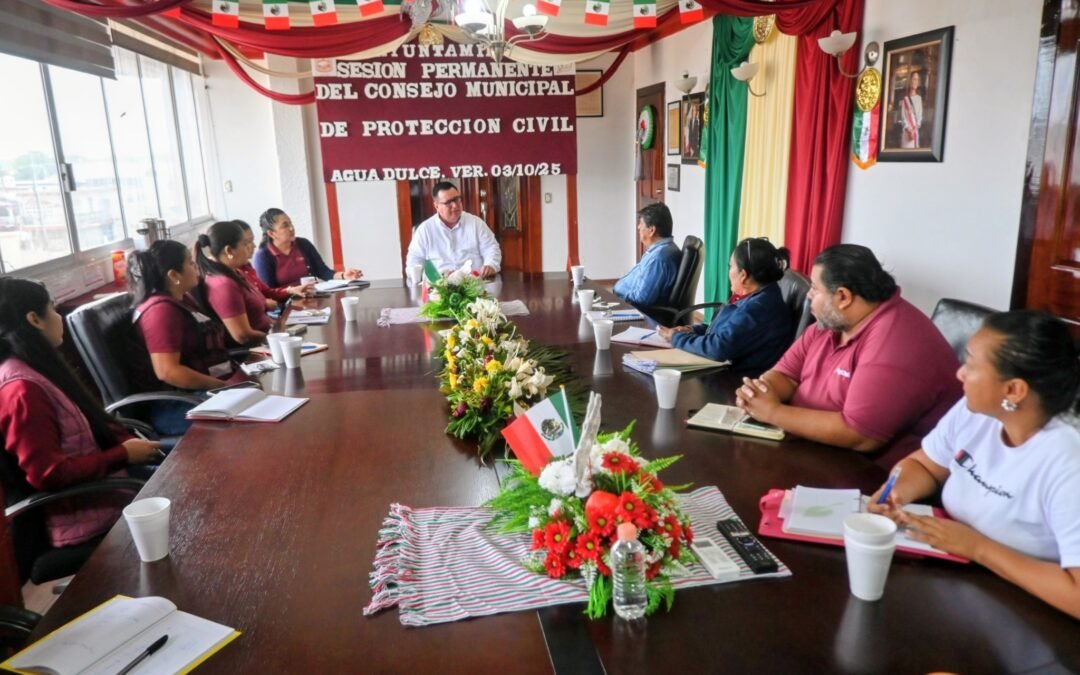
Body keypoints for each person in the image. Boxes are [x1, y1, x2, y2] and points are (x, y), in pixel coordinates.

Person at [869, 311, 1080, 619]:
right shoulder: (975, 412)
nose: (960, 373)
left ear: (1013, 390)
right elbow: (925, 465)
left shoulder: (1067, 462)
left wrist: (978, 548)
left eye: (970, 364)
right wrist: (897, 492)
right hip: (957, 588)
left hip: (1031, 619)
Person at [735, 244, 961, 466]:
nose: (809, 296)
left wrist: (773, 412)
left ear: (843, 297)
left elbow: (859, 434)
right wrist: (758, 394)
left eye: (815, 288)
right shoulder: (830, 324)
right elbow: (786, 375)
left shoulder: (896, 340)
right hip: (814, 448)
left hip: (870, 474)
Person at [0, 277, 161, 549]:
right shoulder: (22, 389)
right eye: (52, 308)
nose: (58, 316)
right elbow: (48, 473)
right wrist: (123, 454)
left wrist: (123, 443)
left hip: (111, 490)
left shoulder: (37, 368)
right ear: (34, 319)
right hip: (87, 514)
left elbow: (89, 425)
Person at [129, 240, 239, 435]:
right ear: (173, 275)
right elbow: (167, 371)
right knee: (250, 420)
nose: (195, 266)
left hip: (201, 390)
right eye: (189, 262)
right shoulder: (160, 311)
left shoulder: (182, 299)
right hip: (177, 403)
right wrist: (222, 386)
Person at [657, 237, 792, 373]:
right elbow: (728, 332)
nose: (729, 272)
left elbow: (718, 347)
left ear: (743, 275)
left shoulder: (759, 309)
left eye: (731, 266)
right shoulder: (760, 295)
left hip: (735, 382)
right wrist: (692, 330)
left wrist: (676, 338)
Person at [195, 220, 272, 346]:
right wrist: (274, 337)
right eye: (245, 243)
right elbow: (242, 335)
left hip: (266, 340)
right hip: (254, 351)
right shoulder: (223, 284)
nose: (251, 247)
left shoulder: (235, 272)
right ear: (229, 250)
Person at [404, 182, 501, 280]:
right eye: (448, 203)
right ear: (436, 206)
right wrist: (420, 277)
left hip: (473, 284)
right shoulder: (425, 230)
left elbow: (491, 248)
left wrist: (491, 264)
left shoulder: (476, 223)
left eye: (457, 199)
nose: (455, 205)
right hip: (439, 287)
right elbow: (414, 260)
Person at [253, 208, 363, 287]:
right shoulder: (263, 256)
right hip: (284, 308)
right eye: (285, 225)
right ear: (272, 234)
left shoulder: (303, 244)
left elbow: (323, 272)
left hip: (312, 299)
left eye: (291, 223)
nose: (291, 228)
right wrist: (293, 291)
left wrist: (344, 275)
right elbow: (268, 293)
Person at [613, 202, 680, 307]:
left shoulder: (659, 258)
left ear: (652, 230)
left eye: (641, 223)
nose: (638, 227)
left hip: (632, 309)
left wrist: (617, 297)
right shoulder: (662, 250)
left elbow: (642, 299)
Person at [235, 220, 313, 308]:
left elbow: (266, 292)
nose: (254, 246)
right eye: (247, 242)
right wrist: (263, 303)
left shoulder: (247, 267)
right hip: (277, 310)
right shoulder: (229, 278)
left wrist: (291, 290)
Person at [897, 71, 923, 149]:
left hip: (915, 133)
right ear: (910, 81)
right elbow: (903, 117)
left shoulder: (919, 99)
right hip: (906, 133)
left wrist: (913, 130)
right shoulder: (905, 99)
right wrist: (909, 130)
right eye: (914, 79)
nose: (916, 82)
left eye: (917, 80)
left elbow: (919, 117)